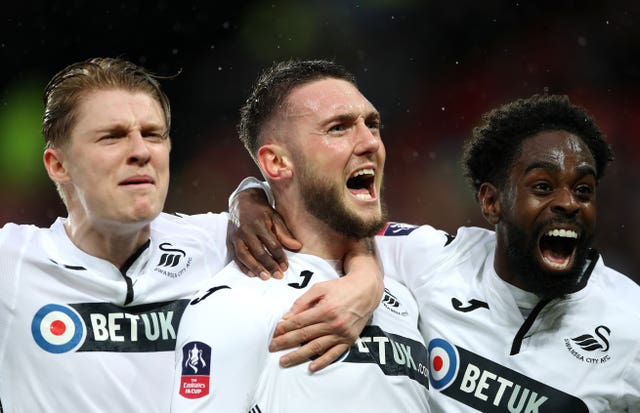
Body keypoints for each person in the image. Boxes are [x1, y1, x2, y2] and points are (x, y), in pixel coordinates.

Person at [0, 57, 380, 412]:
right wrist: (247, 197)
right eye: (112, 137)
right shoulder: (12, 263)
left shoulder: (219, 242)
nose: (140, 152)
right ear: (57, 164)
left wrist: (367, 277)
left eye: (152, 135)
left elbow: (339, 216)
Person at [170, 59, 430, 412]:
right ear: (277, 163)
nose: (370, 142)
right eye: (338, 128)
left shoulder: (404, 288)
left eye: (372, 124)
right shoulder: (236, 305)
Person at [371, 94, 640, 412]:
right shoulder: (435, 260)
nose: (569, 203)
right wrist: (363, 274)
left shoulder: (629, 320)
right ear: (491, 203)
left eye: (583, 190)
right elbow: (344, 235)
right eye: (542, 186)